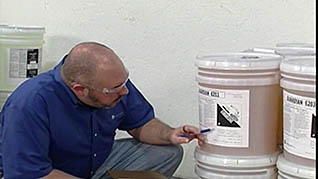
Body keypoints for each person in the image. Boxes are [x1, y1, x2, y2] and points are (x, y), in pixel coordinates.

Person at [0, 42, 204, 179]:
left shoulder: (114, 84)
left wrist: (170, 134)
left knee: (167, 152)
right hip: (48, 174)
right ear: (80, 90)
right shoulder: (30, 103)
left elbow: (141, 123)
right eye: (115, 89)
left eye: (124, 82)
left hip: (95, 163)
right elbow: (29, 174)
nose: (124, 91)